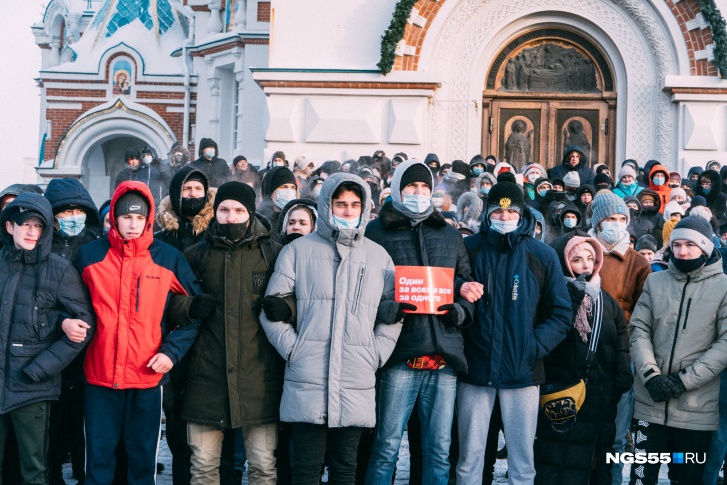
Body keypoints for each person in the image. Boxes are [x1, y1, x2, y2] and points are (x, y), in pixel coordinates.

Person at [260, 173, 402, 484]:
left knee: (344, 468)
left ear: (364, 208)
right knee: (306, 468)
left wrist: (375, 354)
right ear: (327, 206)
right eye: (340, 204)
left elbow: (393, 316)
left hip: (355, 377)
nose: (348, 211)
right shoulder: (297, 252)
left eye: (354, 204)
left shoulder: (379, 257)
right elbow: (271, 310)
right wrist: (294, 350)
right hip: (307, 376)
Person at [75, 181, 207, 484]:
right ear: (114, 218)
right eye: (126, 217)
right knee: (97, 462)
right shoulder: (89, 257)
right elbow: (67, 305)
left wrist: (171, 353)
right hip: (99, 377)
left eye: (139, 218)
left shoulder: (167, 258)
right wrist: (67, 323)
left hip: (146, 378)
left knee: (142, 463)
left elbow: (196, 312)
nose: (132, 224)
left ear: (148, 218)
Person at [363, 160, 479, 485]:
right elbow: (364, 289)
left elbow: (464, 283)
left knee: (438, 451)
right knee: (386, 447)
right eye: (411, 187)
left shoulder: (449, 233)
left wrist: (461, 311)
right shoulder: (376, 232)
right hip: (400, 354)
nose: (418, 193)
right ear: (398, 189)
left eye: (424, 188)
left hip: (444, 358)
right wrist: (388, 309)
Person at [457, 174, 572, 484]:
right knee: (469, 457)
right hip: (476, 369)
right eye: (498, 211)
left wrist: (533, 346)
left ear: (522, 214)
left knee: (522, 461)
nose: (504, 217)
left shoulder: (541, 254)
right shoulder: (470, 249)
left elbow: (561, 312)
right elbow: (452, 287)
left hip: (522, 371)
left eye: (511, 212)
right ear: (488, 213)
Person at [182, 181, 284, 485]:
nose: (231, 217)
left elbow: (295, 295)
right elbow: (170, 300)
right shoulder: (196, 254)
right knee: (202, 467)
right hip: (206, 378)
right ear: (215, 212)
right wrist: (188, 306)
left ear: (250, 212)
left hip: (260, 379)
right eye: (224, 210)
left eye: (239, 210)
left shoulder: (273, 253)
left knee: (264, 467)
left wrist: (285, 308)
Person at [0, 192, 95, 485]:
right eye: (25, 224)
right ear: (9, 227)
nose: (31, 232)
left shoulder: (59, 269)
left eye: (38, 225)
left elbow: (83, 327)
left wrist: (41, 368)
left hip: (33, 386)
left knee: (34, 469)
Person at [629, 216, 727, 485]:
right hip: (650, 404)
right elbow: (639, 330)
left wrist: (681, 381)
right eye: (677, 244)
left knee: (686, 477)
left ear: (705, 247)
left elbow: (724, 345)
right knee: (641, 478)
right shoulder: (655, 282)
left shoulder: (723, 288)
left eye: (690, 245)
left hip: (694, 413)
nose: (682, 251)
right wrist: (651, 376)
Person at [534, 234, 632, 484]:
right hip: (564, 396)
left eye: (590, 258)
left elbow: (620, 342)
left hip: (601, 398)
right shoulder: (551, 296)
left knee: (596, 463)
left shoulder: (607, 301)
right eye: (577, 259)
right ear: (563, 263)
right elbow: (552, 337)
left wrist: (621, 380)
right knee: (560, 461)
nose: (586, 265)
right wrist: (575, 296)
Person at [153, 166, 216, 484]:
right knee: (176, 421)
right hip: (171, 339)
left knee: (208, 427)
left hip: (211, 338)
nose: (192, 195)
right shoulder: (161, 241)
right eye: (186, 189)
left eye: (198, 189)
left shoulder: (216, 232)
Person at [43, 178, 103, 485]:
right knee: (52, 427)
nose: (72, 218)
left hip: (90, 352)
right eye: (65, 213)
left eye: (78, 211)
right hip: (49, 349)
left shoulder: (96, 247)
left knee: (86, 427)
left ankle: (83, 475)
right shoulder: (42, 247)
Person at [258, 166, 300, 236]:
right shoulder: (260, 221)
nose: (289, 191)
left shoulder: (299, 219)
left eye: (293, 187)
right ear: (270, 192)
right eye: (283, 187)